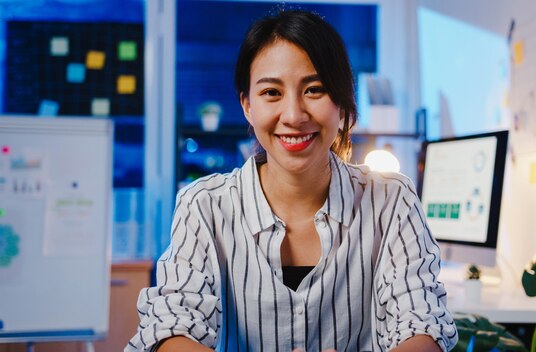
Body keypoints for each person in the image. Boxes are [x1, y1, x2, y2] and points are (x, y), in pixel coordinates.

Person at [126, 9, 457, 352]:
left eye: (314, 89)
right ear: (247, 107)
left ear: (342, 107)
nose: (294, 115)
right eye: (271, 92)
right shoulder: (205, 206)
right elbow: (173, 326)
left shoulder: (391, 200)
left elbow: (421, 324)